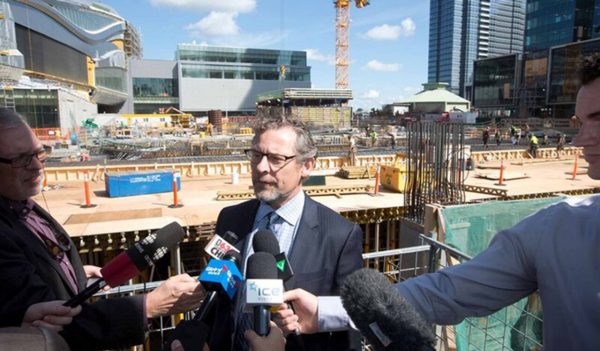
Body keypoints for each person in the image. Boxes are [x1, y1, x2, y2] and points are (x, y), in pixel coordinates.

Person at [272, 53, 600, 351]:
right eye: (579, 123)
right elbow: (448, 290)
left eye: (597, 118)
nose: (580, 139)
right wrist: (328, 311)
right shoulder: (556, 230)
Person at [0, 108, 205, 351]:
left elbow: (41, 265)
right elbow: (51, 328)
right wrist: (148, 306)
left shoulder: (22, 205)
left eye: (39, 153)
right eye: (22, 159)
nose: (36, 166)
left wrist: (74, 273)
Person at [206, 117, 363, 351]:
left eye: (276, 159)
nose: (261, 167)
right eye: (256, 155)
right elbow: (219, 299)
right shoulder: (230, 219)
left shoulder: (340, 235)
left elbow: (351, 323)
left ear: (307, 166)